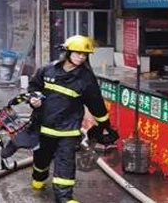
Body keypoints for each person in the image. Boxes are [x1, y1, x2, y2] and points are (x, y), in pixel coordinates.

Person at [27, 35, 117, 203]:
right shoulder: (47, 70)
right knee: (41, 157)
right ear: (67, 52)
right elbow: (33, 87)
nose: (81, 57)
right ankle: (39, 177)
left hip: (68, 130)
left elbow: (96, 105)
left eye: (85, 55)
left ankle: (64, 198)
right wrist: (33, 99)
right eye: (78, 53)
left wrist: (106, 125)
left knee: (66, 162)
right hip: (44, 126)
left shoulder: (86, 79)